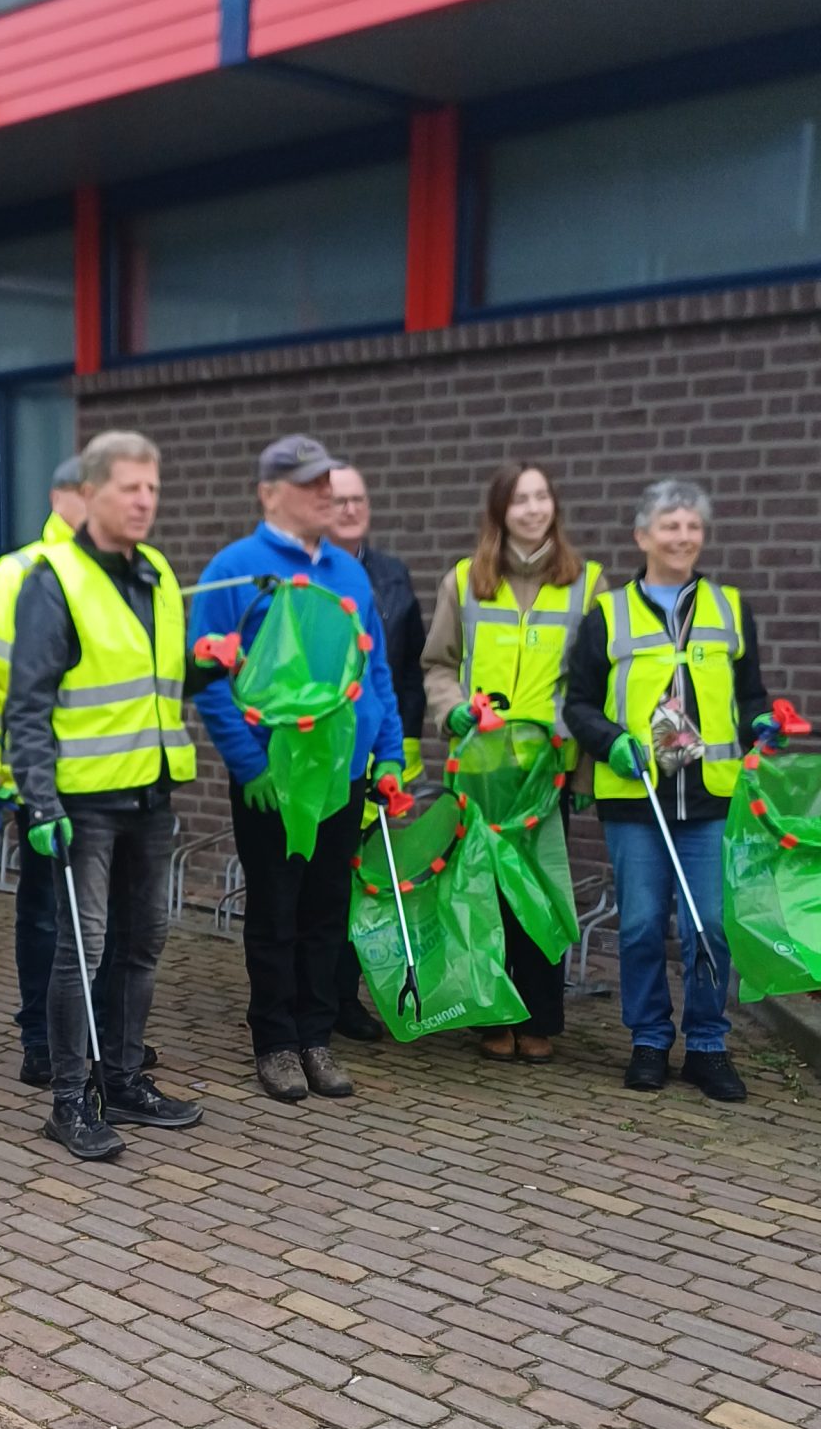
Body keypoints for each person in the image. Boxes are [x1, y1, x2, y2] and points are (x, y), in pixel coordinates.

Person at [7, 430, 204, 1161]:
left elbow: (155, 686)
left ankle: (122, 1079)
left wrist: (209, 670)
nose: (145, 500)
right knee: (80, 952)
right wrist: (40, 801)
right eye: (130, 487)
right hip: (83, 803)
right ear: (90, 494)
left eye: (152, 487)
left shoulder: (154, 572)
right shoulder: (53, 579)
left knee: (143, 943)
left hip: (151, 793)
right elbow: (26, 704)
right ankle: (68, 1102)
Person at [192, 436, 404, 1104]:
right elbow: (207, 678)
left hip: (341, 774)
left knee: (325, 912)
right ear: (269, 492)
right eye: (311, 485)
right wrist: (249, 763)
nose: (327, 496)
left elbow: (376, 673)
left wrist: (390, 751)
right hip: (273, 779)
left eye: (329, 484)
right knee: (276, 912)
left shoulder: (350, 573)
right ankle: (275, 1044)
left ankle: (317, 1037)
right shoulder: (236, 568)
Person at [565, 477, 772, 1104]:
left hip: (709, 798)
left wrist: (761, 722)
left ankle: (707, 1045)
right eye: (670, 525)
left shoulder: (730, 607)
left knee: (710, 924)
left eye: (693, 527)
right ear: (642, 535)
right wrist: (610, 742)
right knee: (643, 925)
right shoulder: (607, 613)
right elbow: (577, 705)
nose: (683, 537)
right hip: (637, 797)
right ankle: (649, 1041)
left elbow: (751, 695)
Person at [423, 461, 604, 1066]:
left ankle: (538, 1019)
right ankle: (492, 1017)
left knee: (542, 892)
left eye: (542, 497)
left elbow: (594, 685)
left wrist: (581, 773)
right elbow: (439, 664)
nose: (532, 509)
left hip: (545, 772)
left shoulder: (589, 585)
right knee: (485, 893)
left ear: (555, 506)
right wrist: (452, 712)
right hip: (479, 768)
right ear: (500, 511)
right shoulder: (464, 580)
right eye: (519, 500)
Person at [0, 455, 86, 1085]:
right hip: (38, 777)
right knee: (45, 910)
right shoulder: (16, 575)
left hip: (109, 777)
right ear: (62, 496)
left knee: (95, 914)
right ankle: (41, 1038)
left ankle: (90, 1036)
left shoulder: (126, 573)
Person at [328, 459, 426, 1043]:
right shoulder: (303, 574)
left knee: (364, 879)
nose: (350, 509)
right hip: (321, 758)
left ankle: (344, 996)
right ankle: (296, 997)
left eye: (358, 498)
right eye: (338, 499)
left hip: (382, 752)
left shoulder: (390, 574)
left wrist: (404, 741)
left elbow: (406, 669)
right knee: (317, 883)